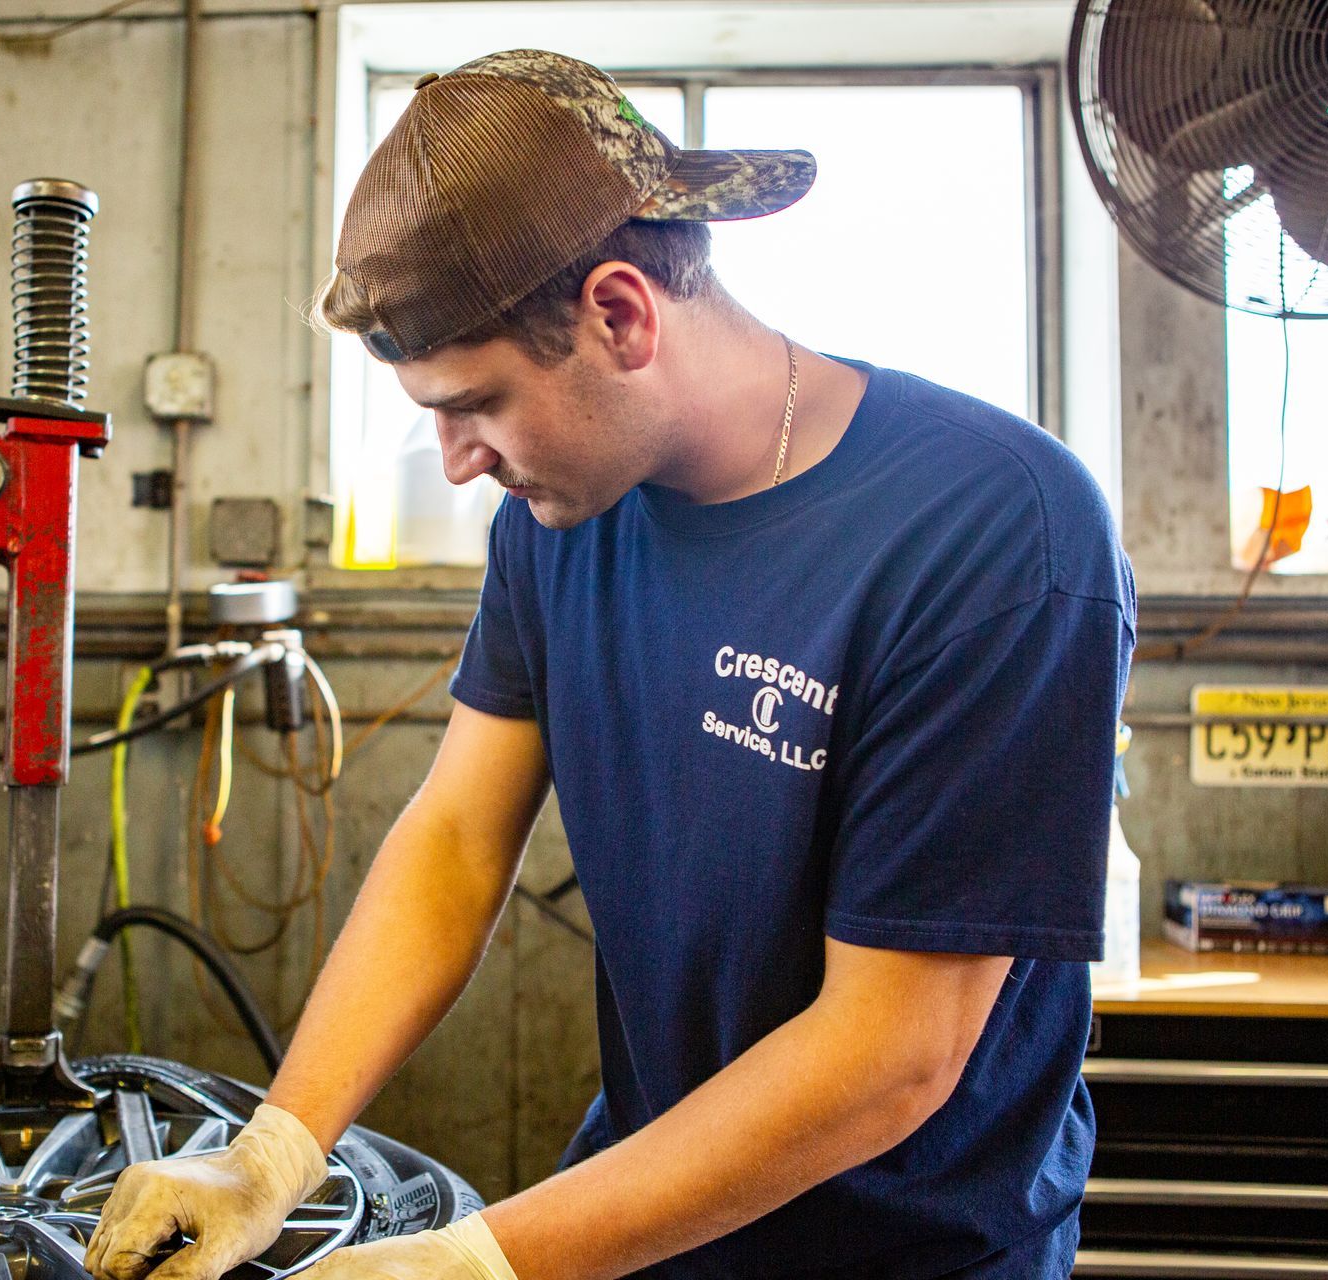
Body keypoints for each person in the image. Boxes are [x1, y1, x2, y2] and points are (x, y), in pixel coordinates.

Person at [81, 48, 1135, 1280]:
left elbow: (891, 1052)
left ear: (623, 314)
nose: (458, 458)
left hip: (914, 1253)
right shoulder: (556, 522)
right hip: (643, 1218)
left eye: (474, 402)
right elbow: (458, 838)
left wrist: (475, 1260)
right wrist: (273, 1150)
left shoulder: (997, 533)